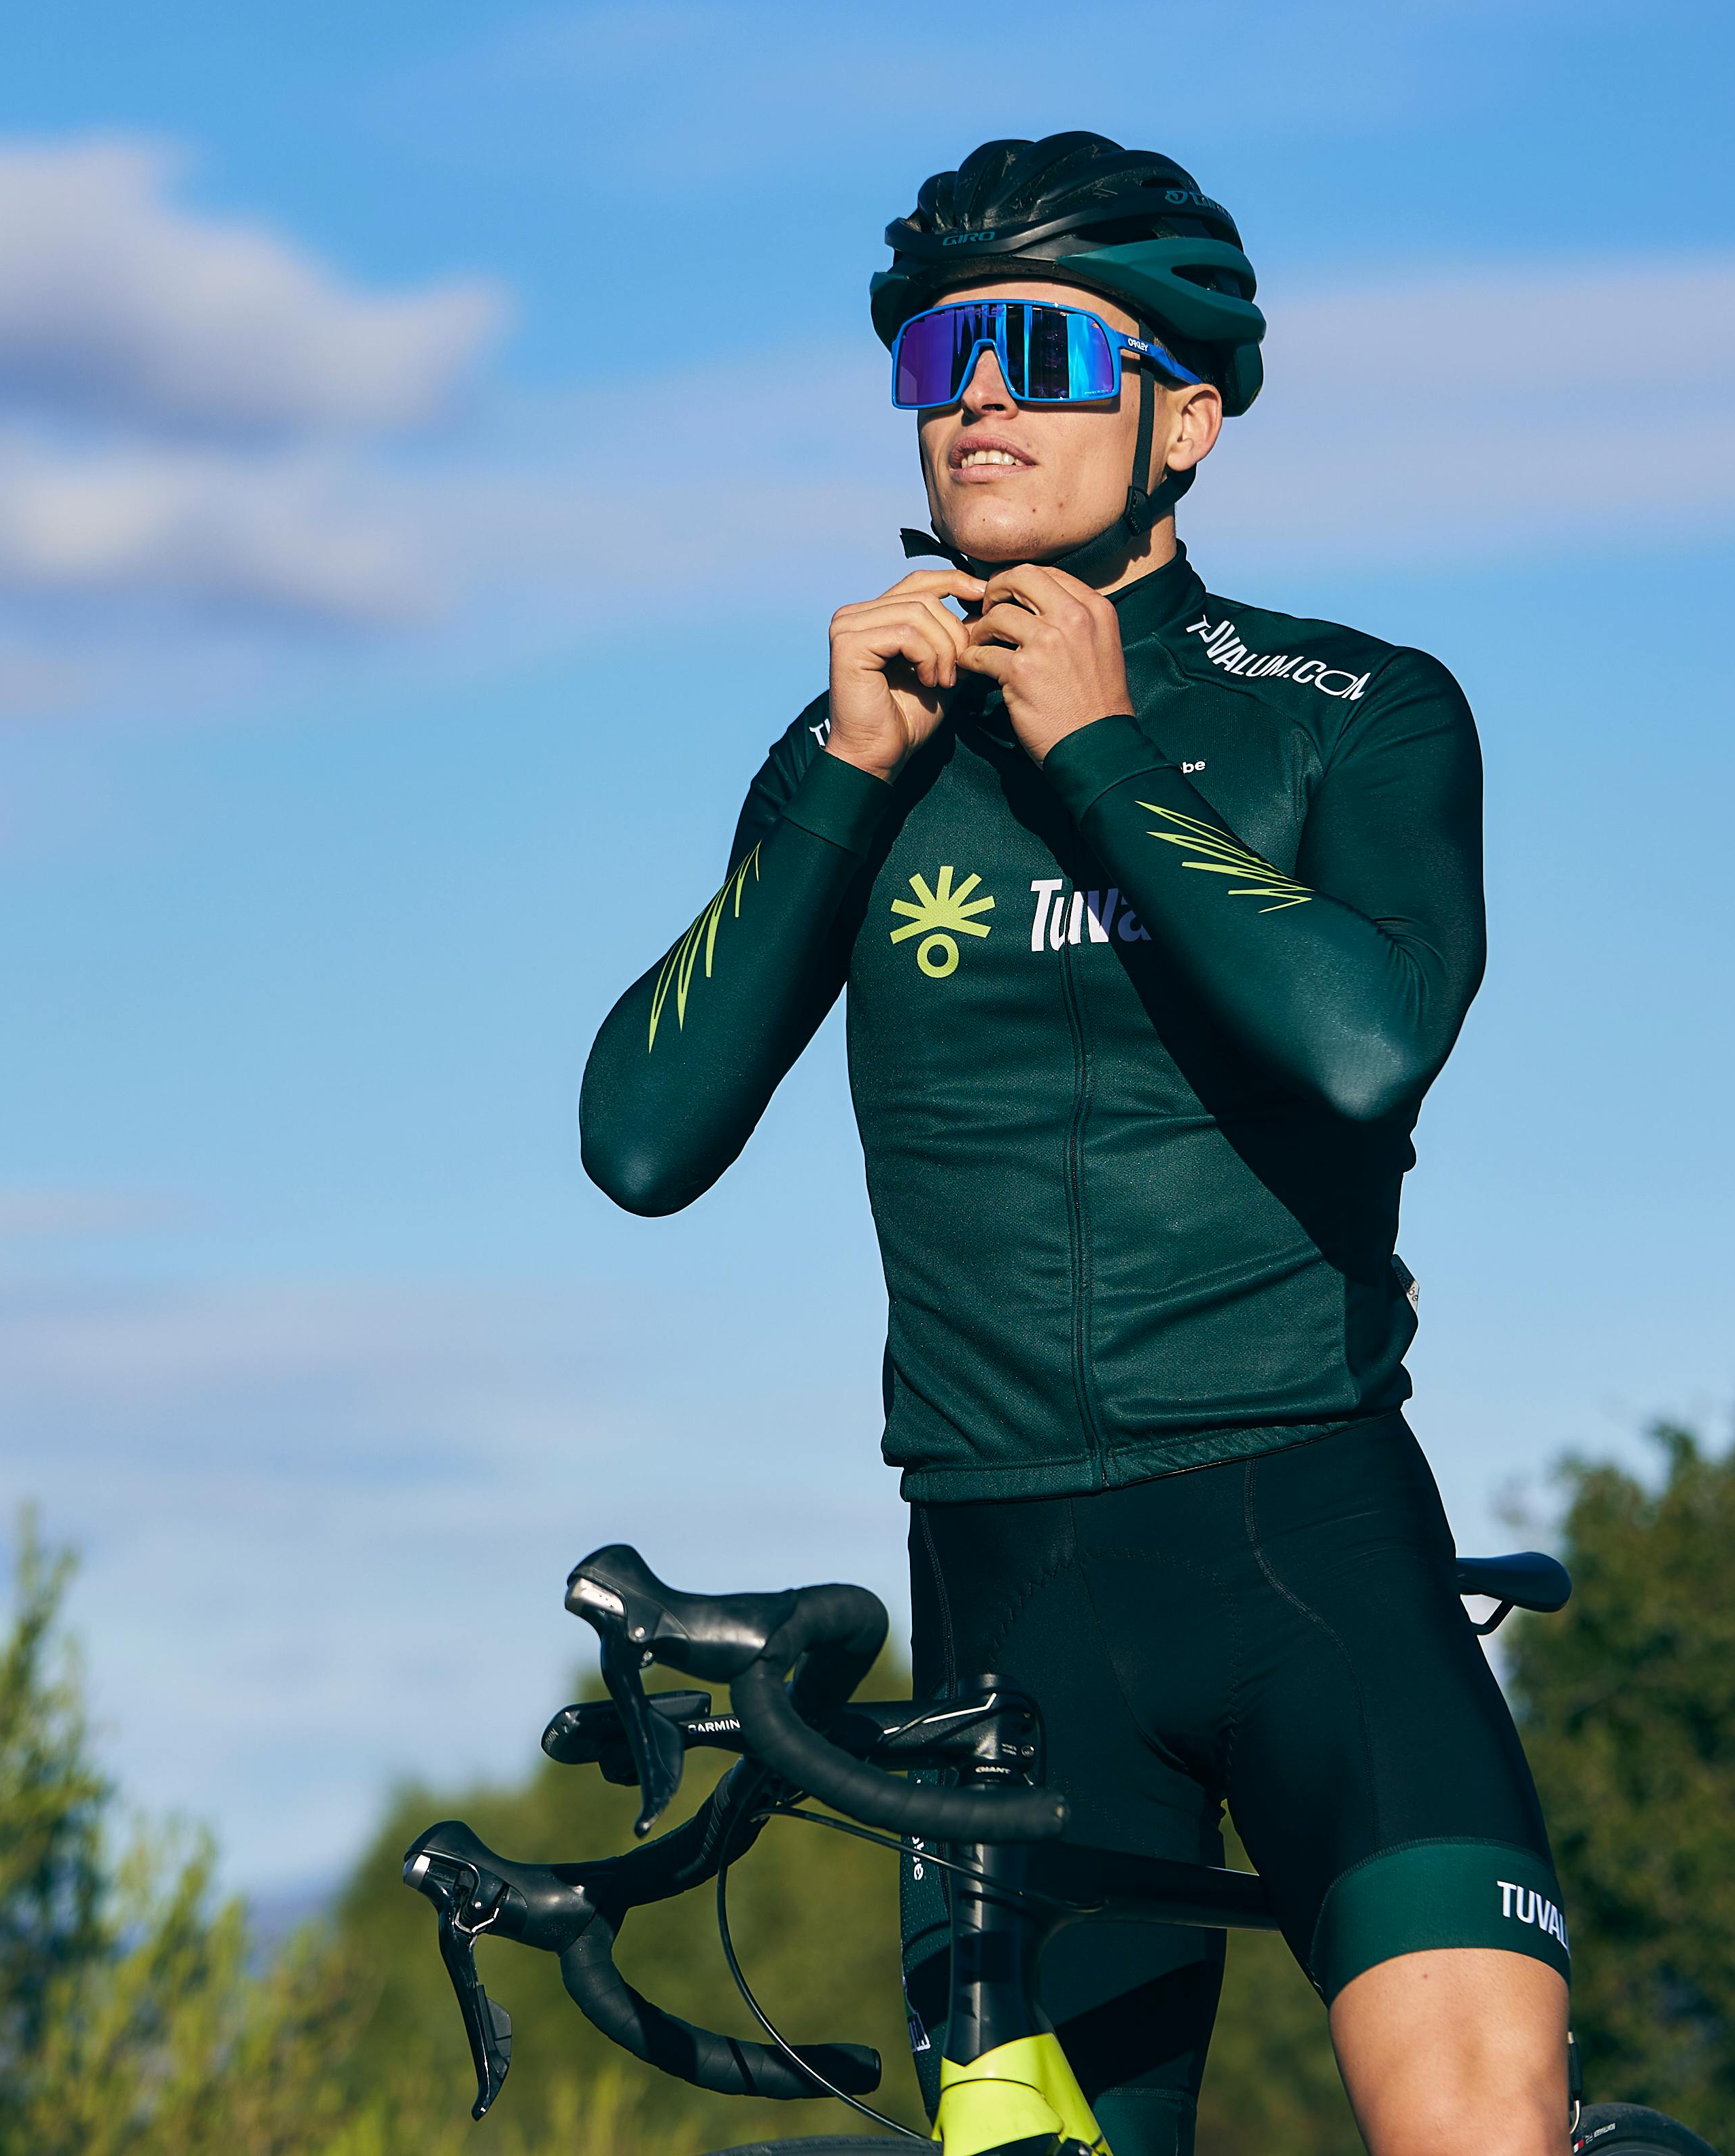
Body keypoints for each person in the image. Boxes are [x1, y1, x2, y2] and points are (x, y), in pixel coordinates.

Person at [578, 133, 1567, 2156]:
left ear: (1186, 414)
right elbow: (640, 1139)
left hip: (1309, 1549)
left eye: (1039, 346)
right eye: (939, 356)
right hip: (1009, 1614)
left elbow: (1368, 1048)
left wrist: (1100, 754)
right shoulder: (856, 749)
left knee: (1484, 2128)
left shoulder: (1353, 711)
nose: (980, 398)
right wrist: (849, 780)